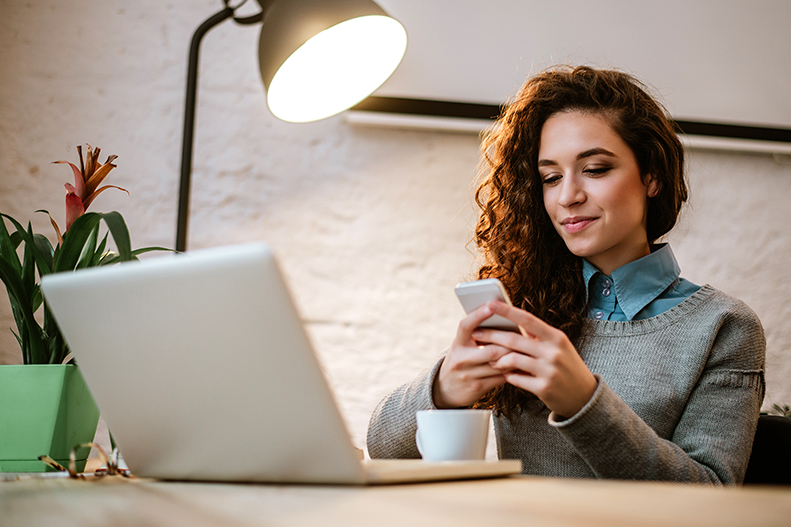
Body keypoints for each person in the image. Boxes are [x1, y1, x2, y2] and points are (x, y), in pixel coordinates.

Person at [366, 65, 765, 485]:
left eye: (594, 169)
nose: (568, 197)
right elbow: (382, 448)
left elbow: (713, 499)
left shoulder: (724, 327)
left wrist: (582, 402)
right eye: (550, 177)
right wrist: (444, 389)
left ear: (652, 176)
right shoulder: (529, 304)